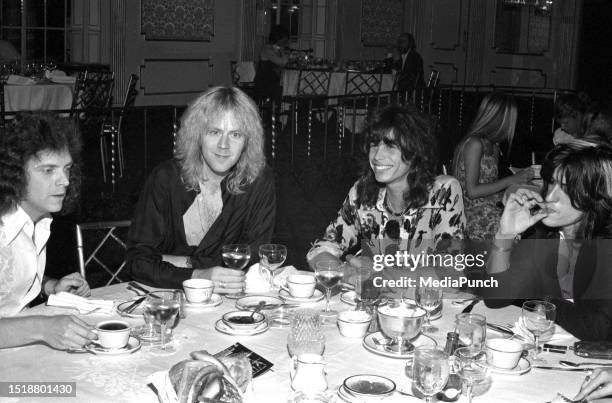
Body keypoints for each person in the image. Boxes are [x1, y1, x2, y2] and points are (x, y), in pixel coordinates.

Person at [126, 87, 276, 291]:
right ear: (197, 135)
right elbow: (138, 262)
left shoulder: (258, 181)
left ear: (248, 141)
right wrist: (198, 275)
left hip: (230, 302)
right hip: (166, 298)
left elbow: (255, 258)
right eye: (214, 132)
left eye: (236, 134)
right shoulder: (166, 179)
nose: (224, 145)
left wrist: (181, 262)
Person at [307, 104, 466, 275]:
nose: (377, 156)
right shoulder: (363, 192)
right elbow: (321, 250)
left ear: (415, 152)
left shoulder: (443, 192)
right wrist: (346, 272)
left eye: (390, 146)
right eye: (374, 145)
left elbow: (450, 270)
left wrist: (380, 276)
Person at [483, 142, 612, 340]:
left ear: (594, 196)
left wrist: (542, 301)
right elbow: (495, 298)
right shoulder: (545, 237)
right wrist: (505, 234)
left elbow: (600, 328)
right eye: (551, 183)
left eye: (567, 188)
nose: (550, 196)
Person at [0, 114, 96, 350]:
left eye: (67, 169)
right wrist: (42, 328)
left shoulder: (39, 223)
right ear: (15, 174)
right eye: (48, 170)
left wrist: (49, 287)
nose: (64, 180)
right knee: (63, 389)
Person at [453, 93, 534, 240]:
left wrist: (516, 186)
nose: (512, 126)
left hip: (488, 208)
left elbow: (491, 186)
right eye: (510, 121)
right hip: (471, 214)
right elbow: (472, 191)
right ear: (499, 121)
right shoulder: (474, 144)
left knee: (528, 213)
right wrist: (512, 180)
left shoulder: (493, 145)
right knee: (518, 227)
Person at [254, 25, 290, 101]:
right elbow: (282, 62)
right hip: (264, 83)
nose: (286, 40)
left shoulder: (275, 49)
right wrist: (282, 50)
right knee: (285, 89)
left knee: (289, 87)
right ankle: (277, 110)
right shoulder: (267, 49)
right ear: (278, 38)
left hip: (273, 82)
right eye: (285, 38)